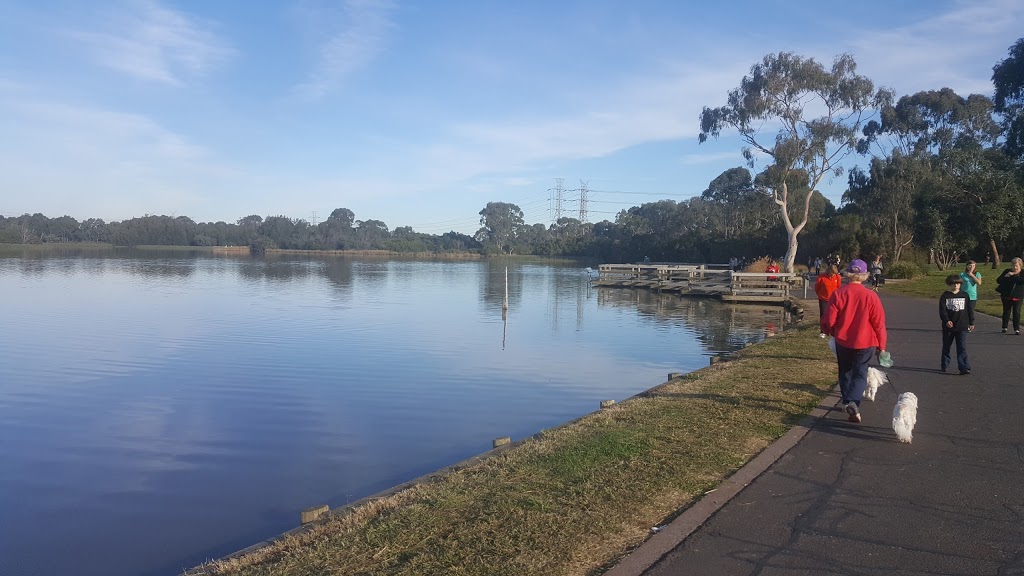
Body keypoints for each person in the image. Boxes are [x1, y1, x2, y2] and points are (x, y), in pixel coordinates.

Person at [820, 259, 888, 423]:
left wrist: (830, 331)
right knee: (860, 373)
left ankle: (846, 401)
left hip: (843, 340)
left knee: (845, 371)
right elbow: (879, 323)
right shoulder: (871, 296)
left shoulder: (838, 294)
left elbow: (828, 320)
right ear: (865, 276)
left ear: (848, 274)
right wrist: (882, 346)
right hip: (866, 341)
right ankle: (854, 402)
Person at [939, 274, 973, 375]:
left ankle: (964, 367)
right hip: (949, 327)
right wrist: (946, 320)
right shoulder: (945, 296)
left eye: (958, 284)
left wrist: (971, 322)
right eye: (953, 284)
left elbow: (969, 310)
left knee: (961, 346)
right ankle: (944, 364)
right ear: (949, 285)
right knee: (946, 346)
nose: (956, 286)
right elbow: (942, 311)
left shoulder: (965, 295)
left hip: (962, 325)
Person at [996, 257, 1024, 334]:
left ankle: (1016, 329)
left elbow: (1021, 281)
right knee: (1006, 311)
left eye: (1016, 266)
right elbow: (998, 280)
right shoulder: (1007, 271)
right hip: (1006, 295)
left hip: (1018, 296)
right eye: (1013, 266)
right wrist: (1006, 276)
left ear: (1020, 266)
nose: (1014, 267)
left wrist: (1014, 275)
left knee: (1016, 312)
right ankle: (1004, 327)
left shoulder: (1022, 273)